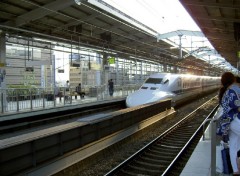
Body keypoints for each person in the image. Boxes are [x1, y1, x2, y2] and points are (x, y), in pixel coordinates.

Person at [219, 72, 240, 175]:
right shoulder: (232, 91)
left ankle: (235, 171)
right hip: (234, 120)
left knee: (233, 146)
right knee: (234, 146)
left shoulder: (225, 92)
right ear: (233, 80)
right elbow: (237, 105)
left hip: (227, 123)